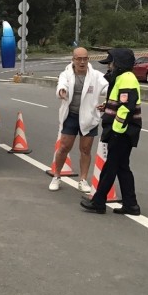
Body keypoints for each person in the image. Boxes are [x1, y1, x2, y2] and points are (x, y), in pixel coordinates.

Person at [80, 47, 142, 215]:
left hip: (122, 132)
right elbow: (119, 104)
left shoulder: (127, 79)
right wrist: (107, 107)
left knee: (110, 168)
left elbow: (126, 108)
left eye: (111, 63)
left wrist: (116, 130)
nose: (109, 66)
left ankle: (99, 202)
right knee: (122, 168)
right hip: (123, 131)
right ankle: (131, 204)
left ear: (119, 63)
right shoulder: (122, 78)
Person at [49, 47, 109, 193]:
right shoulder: (66, 73)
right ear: (73, 60)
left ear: (88, 59)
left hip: (89, 118)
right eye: (79, 59)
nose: (82, 62)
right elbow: (61, 84)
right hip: (71, 116)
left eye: (85, 58)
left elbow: (111, 88)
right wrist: (61, 91)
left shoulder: (95, 75)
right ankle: (56, 176)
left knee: (85, 150)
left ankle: (82, 180)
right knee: (63, 148)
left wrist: (108, 103)